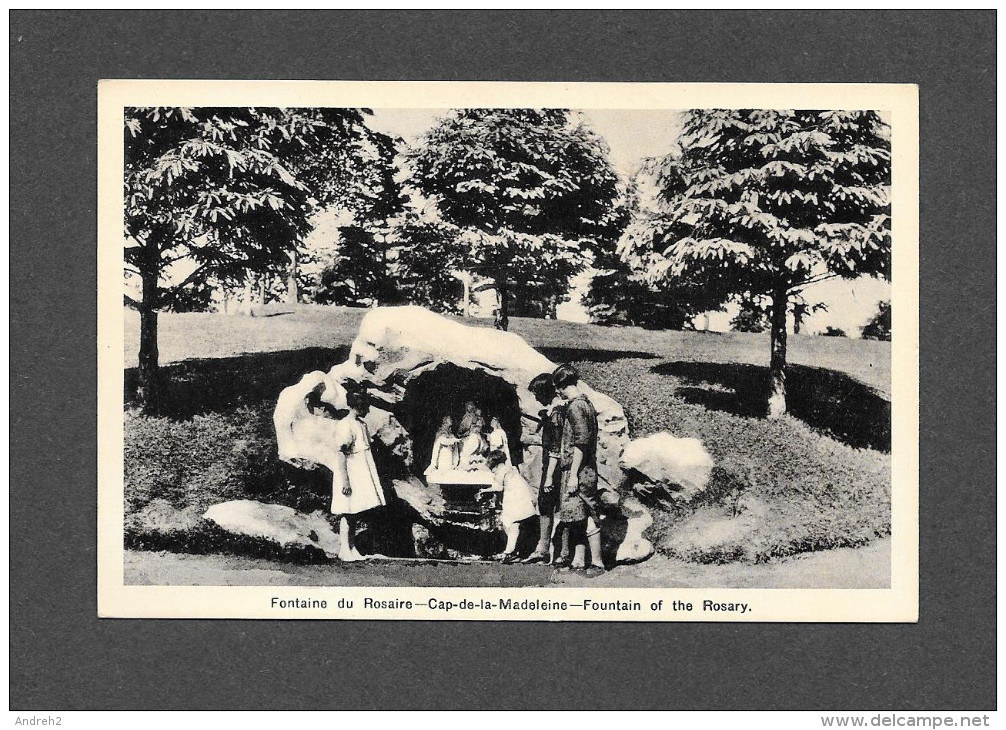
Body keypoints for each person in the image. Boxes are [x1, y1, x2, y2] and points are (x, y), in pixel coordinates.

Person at [553, 363, 606, 578]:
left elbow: (581, 443)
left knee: (588, 513)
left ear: (562, 386)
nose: (558, 393)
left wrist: (573, 474)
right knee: (580, 515)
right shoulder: (585, 404)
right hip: (583, 468)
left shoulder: (576, 407)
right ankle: (581, 560)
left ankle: (598, 563)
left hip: (580, 470)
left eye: (559, 388)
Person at [331, 390, 387, 562]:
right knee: (347, 511)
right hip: (350, 472)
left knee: (354, 511)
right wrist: (345, 480)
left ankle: (352, 547)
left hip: (360, 473)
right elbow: (341, 453)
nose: (368, 410)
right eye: (366, 406)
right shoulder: (345, 425)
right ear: (358, 406)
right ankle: (343, 549)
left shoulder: (361, 425)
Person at [522, 373, 565, 564]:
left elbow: (555, 447)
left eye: (537, 394)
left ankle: (552, 550)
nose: (536, 399)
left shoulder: (557, 415)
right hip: (551, 463)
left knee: (550, 504)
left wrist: (548, 477)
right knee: (546, 504)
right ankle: (545, 548)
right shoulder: (554, 412)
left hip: (555, 466)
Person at [479, 449, 536, 563]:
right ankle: (512, 550)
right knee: (512, 523)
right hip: (520, 496)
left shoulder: (502, 470)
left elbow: (499, 487)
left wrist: (484, 490)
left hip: (516, 498)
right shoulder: (511, 469)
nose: (493, 472)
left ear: (496, 464)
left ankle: (509, 552)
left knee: (512, 523)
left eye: (492, 468)